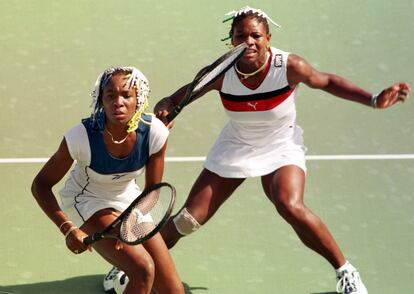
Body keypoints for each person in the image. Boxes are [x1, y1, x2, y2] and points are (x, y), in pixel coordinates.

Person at [152, 6, 411, 294]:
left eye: (255, 35)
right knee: (188, 220)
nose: (248, 41)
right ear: (232, 40)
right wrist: (165, 108)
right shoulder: (220, 72)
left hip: (280, 145)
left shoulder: (288, 66)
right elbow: (177, 98)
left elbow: (326, 81)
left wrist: (373, 99)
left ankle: (345, 271)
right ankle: (136, 264)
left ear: (268, 38)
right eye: (241, 36)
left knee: (290, 204)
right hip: (237, 146)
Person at [31, 66, 184, 294]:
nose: (118, 102)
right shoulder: (80, 136)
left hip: (130, 202)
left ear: (138, 99)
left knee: (174, 291)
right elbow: (40, 185)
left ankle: (121, 265)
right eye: (110, 96)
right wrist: (67, 228)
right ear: (100, 101)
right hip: (87, 201)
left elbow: (153, 190)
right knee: (143, 269)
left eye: (126, 95)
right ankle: (125, 265)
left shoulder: (155, 133)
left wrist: (130, 225)